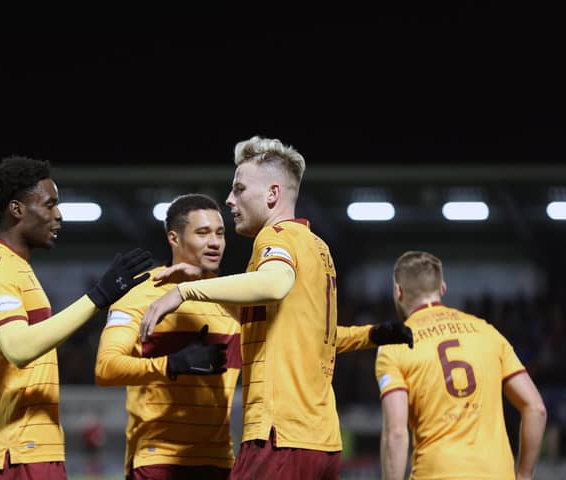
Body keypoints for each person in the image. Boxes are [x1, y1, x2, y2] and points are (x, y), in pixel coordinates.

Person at [139, 136, 413, 479]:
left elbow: (274, 282)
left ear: (272, 194)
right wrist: (373, 333)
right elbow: (310, 335)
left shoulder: (275, 237)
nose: (229, 199)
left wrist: (185, 291)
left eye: (239, 189)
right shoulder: (318, 248)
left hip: (278, 436)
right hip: (322, 441)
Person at [0, 156, 154, 479]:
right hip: (14, 449)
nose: (59, 215)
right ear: (17, 209)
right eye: (49, 205)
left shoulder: (15, 265)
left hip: (29, 446)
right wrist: (98, 297)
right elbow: (18, 347)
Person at [94, 193, 237, 480]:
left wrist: (357, 337)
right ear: (174, 238)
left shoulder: (233, 298)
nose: (215, 242)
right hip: (158, 458)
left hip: (219, 461)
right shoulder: (141, 294)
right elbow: (105, 368)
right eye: (203, 233)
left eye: (220, 233)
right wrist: (172, 364)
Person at [375, 251, 547, 480]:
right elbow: (536, 408)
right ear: (442, 288)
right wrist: (524, 475)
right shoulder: (488, 333)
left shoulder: (394, 346)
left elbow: (396, 433)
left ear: (398, 292)